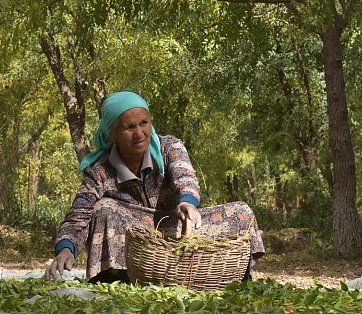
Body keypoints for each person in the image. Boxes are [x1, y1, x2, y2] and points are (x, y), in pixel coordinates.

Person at [46, 91, 265, 282]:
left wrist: (187, 203)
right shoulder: (99, 170)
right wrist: (66, 249)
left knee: (242, 212)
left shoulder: (169, 146)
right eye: (129, 127)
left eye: (144, 123)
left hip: (179, 229)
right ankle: (117, 277)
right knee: (104, 209)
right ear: (112, 134)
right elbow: (79, 214)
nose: (139, 133)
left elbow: (185, 177)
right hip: (136, 240)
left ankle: (229, 276)